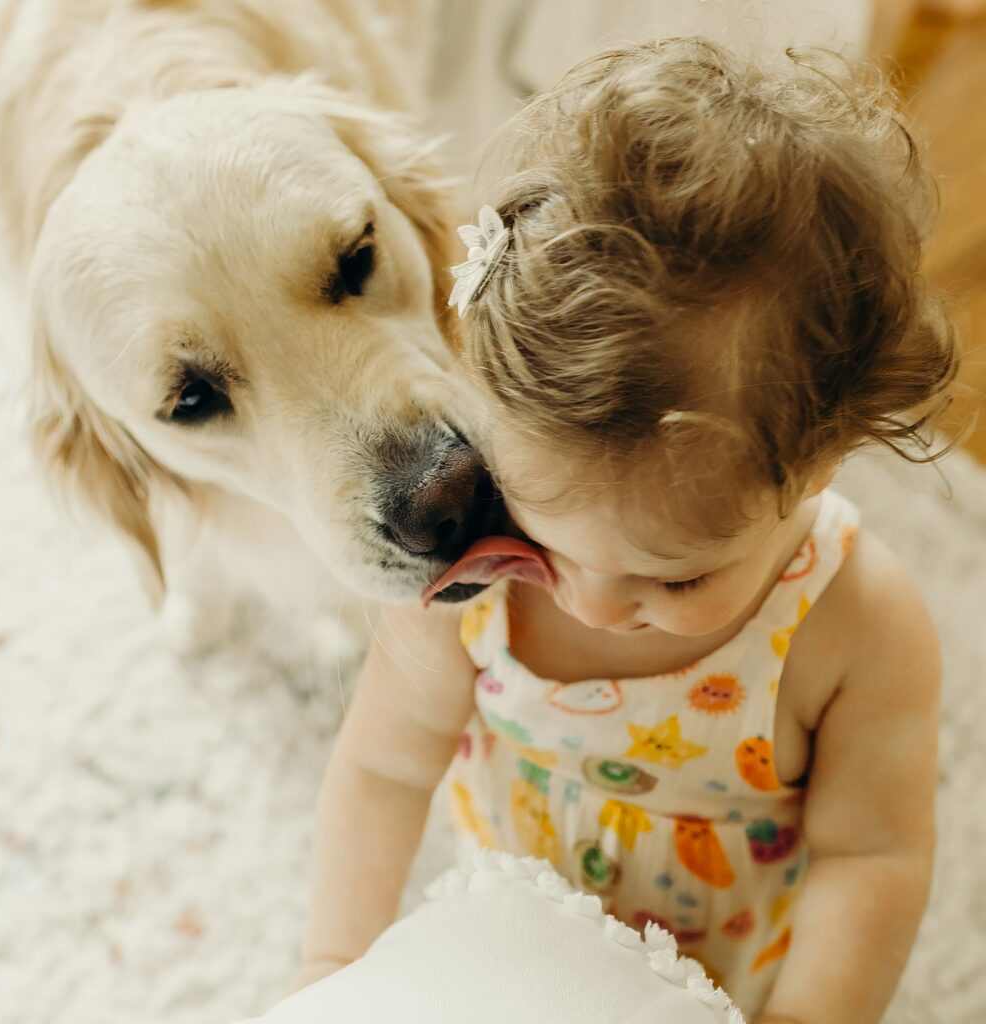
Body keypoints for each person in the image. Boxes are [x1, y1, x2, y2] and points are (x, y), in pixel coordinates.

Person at [302, 38, 957, 1023]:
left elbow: (872, 858)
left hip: (718, 986)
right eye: (538, 530)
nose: (591, 601)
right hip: (505, 962)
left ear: (824, 460)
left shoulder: (854, 625)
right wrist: (333, 963)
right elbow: (384, 767)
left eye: (677, 577)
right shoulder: (471, 579)